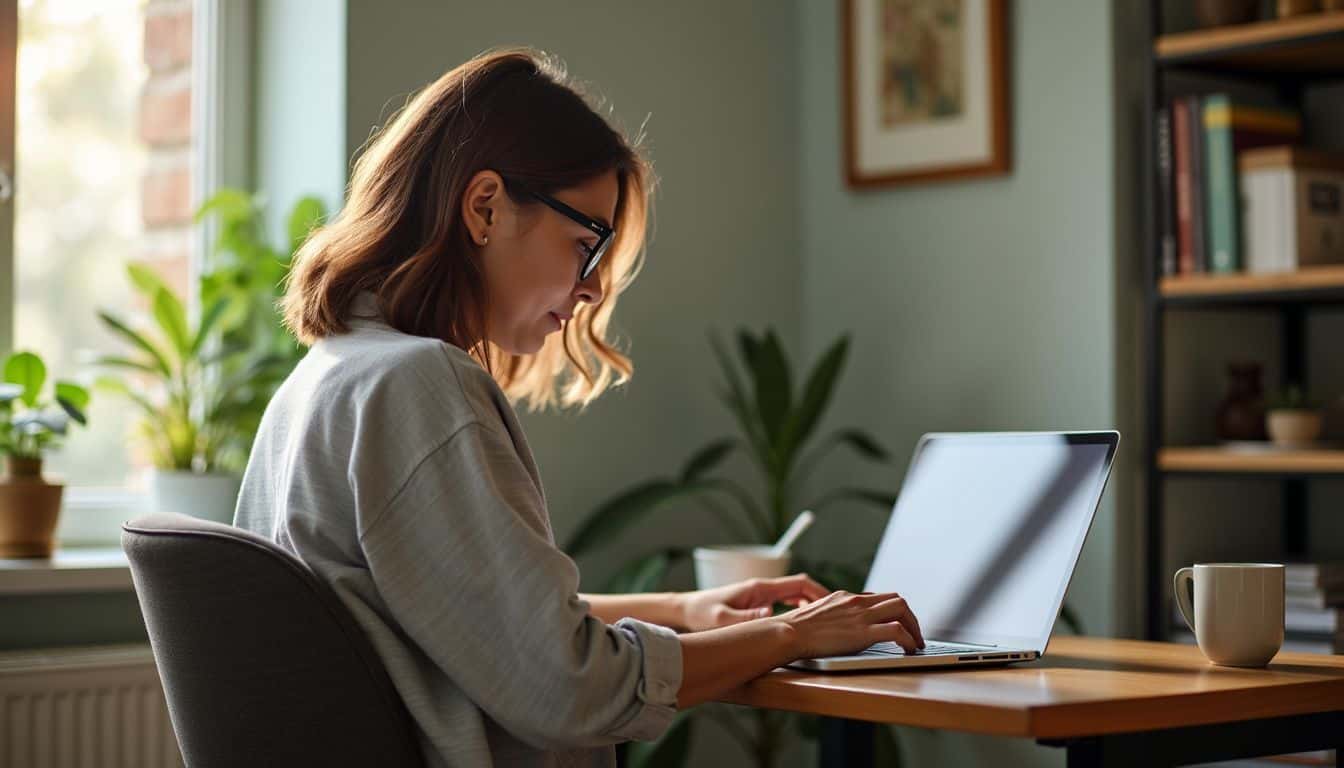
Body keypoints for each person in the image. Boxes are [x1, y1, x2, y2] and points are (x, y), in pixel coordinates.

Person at [234, 47, 923, 767]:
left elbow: (490, 633)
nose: (592, 288)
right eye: (586, 243)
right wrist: (794, 634)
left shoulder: (329, 377)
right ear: (485, 207)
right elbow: (571, 690)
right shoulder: (420, 385)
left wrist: (685, 612)